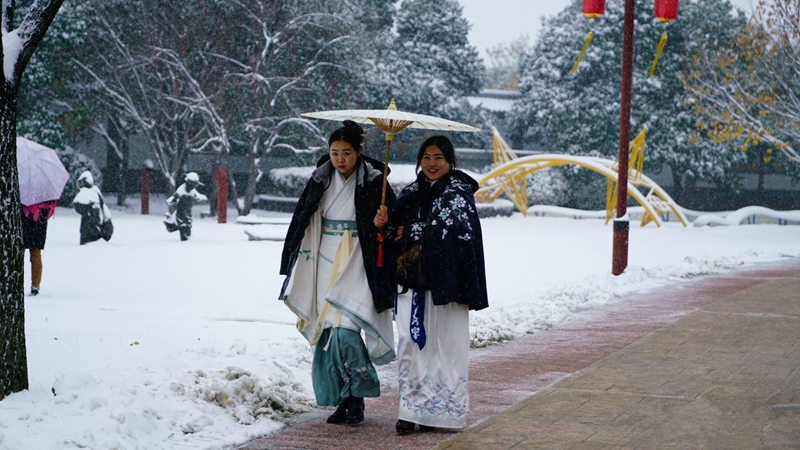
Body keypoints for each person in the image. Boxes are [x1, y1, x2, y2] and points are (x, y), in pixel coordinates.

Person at [279, 120, 396, 425]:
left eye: (346, 152)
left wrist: (384, 221)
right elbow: (303, 216)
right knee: (326, 332)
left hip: (359, 257)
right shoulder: (321, 178)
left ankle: (358, 392)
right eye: (334, 152)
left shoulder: (374, 181)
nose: (340, 159)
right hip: (324, 254)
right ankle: (344, 399)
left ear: (359, 151)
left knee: (346, 330)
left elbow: (396, 225)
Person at [374, 135, 489, 435]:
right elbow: (393, 237)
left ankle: (445, 413)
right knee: (411, 345)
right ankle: (410, 410)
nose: (431, 163)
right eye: (426, 157)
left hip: (447, 287)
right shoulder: (410, 192)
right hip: (412, 283)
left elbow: (457, 235)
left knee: (445, 348)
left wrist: (413, 230)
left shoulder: (458, 193)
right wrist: (382, 224)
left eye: (438, 157)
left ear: (450, 161)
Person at [21, 200, 57, 296]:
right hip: (41, 222)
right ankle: (35, 286)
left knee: (20, 253)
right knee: (36, 254)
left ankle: (17, 282)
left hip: (26, 220)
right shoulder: (47, 190)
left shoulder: (27, 190)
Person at [164, 172, 208, 241]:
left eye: (194, 185)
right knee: (183, 225)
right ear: (188, 182)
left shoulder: (192, 191)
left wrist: (201, 198)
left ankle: (188, 239)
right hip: (180, 213)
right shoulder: (182, 190)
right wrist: (174, 199)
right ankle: (184, 241)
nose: (193, 187)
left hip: (188, 212)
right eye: (192, 184)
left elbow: (197, 195)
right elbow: (173, 198)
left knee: (188, 224)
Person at [72, 171, 113, 245]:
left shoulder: (87, 193)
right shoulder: (95, 192)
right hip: (95, 228)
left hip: (90, 229)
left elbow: (77, 204)